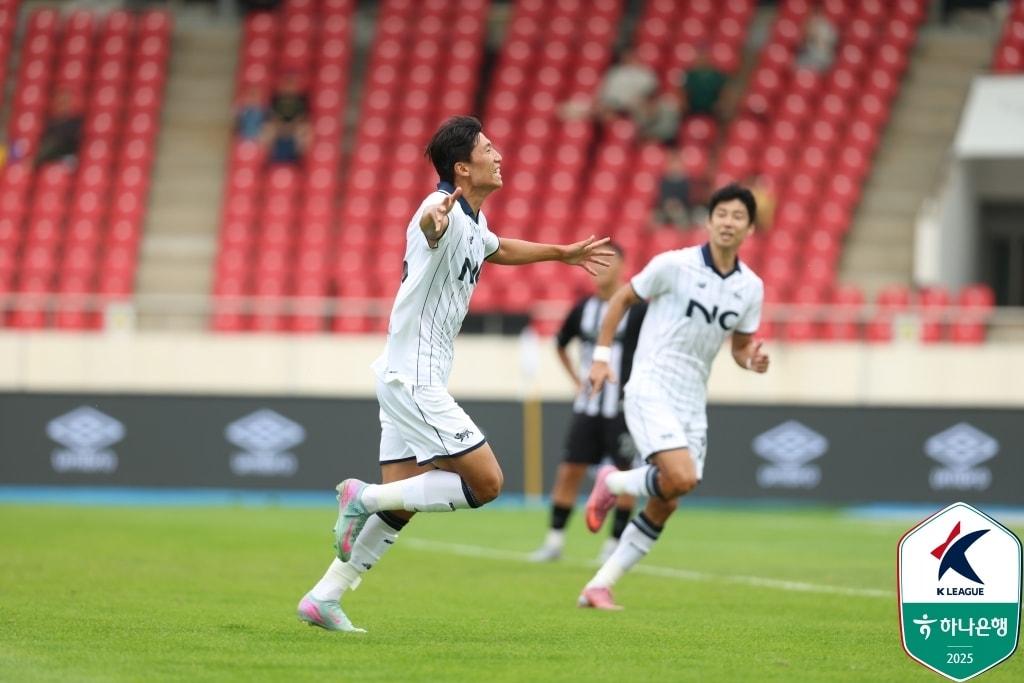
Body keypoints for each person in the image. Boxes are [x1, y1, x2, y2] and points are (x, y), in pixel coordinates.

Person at [296, 116, 614, 632]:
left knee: (404, 504)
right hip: (413, 378)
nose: (499, 154)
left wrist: (562, 252)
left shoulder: (475, 222)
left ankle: (324, 596)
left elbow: (499, 247)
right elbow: (430, 225)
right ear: (462, 168)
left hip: (407, 376)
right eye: (489, 148)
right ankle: (361, 497)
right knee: (486, 483)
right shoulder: (438, 209)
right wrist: (433, 222)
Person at [576, 183, 770, 610]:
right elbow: (623, 297)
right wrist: (603, 356)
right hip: (651, 384)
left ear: (750, 229)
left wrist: (750, 359)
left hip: (692, 397)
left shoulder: (750, 288)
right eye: (722, 213)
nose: (728, 222)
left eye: (738, 216)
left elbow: (739, 347)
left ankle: (600, 585)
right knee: (679, 478)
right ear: (709, 220)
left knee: (670, 499)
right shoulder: (674, 265)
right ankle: (614, 482)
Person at [528, 243, 647, 564]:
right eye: (599, 262)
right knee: (569, 471)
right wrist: (577, 381)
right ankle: (554, 542)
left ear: (624, 266)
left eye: (610, 261)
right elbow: (560, 344)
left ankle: (614, 547)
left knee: (626, 475)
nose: (603, 268)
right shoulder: (583, 309)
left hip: (623, 408)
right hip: (588, 407)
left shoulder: (638, 310)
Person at [34, 88, 83, 168]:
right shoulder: (50, 124)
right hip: (52, 159)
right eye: (59, 102)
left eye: (64, 102)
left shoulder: (75, 123)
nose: (62, 105)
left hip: (69, 158)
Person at [679, 51, 729, 119]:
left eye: (705, 59)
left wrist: (721, 102)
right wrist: (684, 102)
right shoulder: (690, 74)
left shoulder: (717, 75)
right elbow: (682, 90)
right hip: (692, 106)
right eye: (701, 59)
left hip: (711, 107)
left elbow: (723, 90)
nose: (702, 61)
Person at [653, 149, 695, 228]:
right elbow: (660, 198)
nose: (675, 166)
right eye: (672, 163)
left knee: (682, 219)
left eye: (677, 163)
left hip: (683, 209)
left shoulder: (687, 181)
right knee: (655, 219)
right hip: (665, 209)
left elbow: (690, 199)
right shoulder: (663, 181)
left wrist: (678, 205)